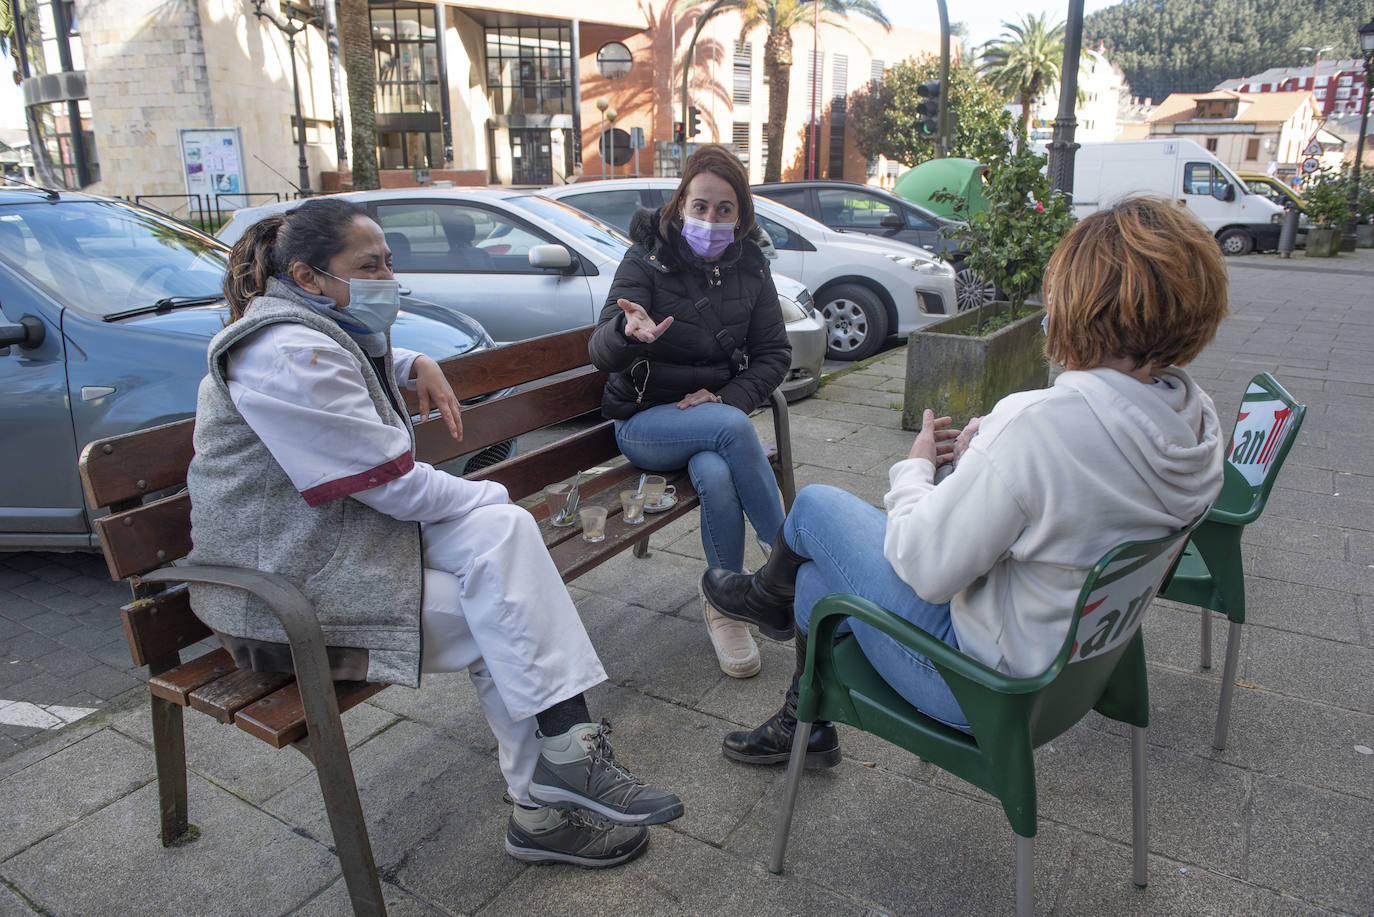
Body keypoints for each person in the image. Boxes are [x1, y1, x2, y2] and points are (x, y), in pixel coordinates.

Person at [186, 198, 682, 868]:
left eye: (388, 259)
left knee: (504, 537)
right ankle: (542, 803)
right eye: (369, 265)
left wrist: (412, 358)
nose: (389, 275)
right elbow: (389, 482)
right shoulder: (284, 351)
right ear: (308, 278)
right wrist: (483, 489)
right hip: (281, 592)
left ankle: (566, 762)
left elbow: (349, 364)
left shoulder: (310, 326)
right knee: (504, 611)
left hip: (340, 548)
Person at [701, 195, 1229, 766]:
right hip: (1072, 670)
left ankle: (765, 600)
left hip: (982, 686)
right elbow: (1071, 502)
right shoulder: (1194, 422)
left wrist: (919, 467)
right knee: (814, 587)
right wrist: (988, 462)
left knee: (814, 510)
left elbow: (926, 567)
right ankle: (804, 719)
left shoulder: (1038, 429)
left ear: (1081, 304)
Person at [589, 144, 792, 680]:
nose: (709, 218)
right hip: (645, 420)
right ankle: (789, 568)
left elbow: (775, 354)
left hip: (714, 421)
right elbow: (598, 351)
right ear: (681, 205)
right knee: (728, 431)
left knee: (717, 469)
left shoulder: (751, 266)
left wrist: (727, 399)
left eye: (724, 209)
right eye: (700, 206)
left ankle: (725, 604)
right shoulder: (645, 260)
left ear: (741, 217)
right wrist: (625, 333)